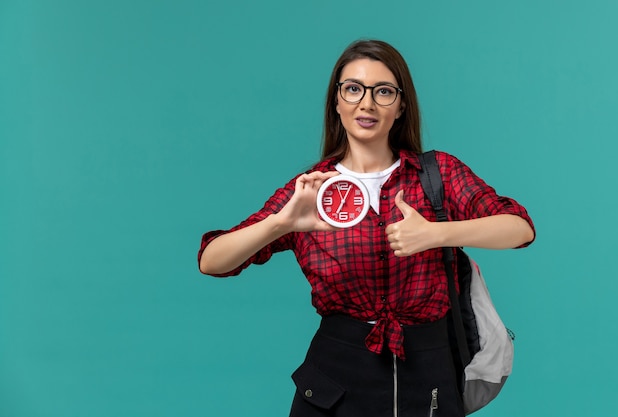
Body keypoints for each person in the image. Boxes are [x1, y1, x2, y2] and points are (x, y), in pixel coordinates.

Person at [198, 39, 535, 417]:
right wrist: (282, 223)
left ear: (401, 106)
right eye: (353, 89)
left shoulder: (437, 174)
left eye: (384, 91)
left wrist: (437, 234)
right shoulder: (312, 190)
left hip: (429, 380)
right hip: (334, 384)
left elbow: (519, 228)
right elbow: (213, 261)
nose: (367, 103)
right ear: (337, 101)